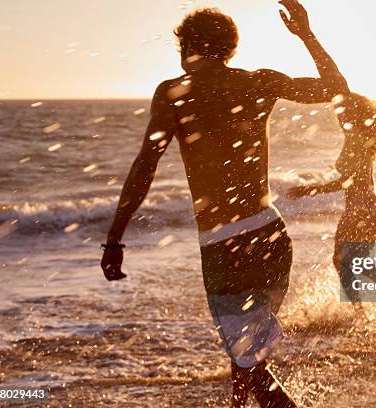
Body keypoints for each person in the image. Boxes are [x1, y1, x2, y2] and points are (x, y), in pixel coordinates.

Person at [100, 1, 349, 407]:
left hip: (225, 245)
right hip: (270, 234)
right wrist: (306, 34)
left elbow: (146, 165)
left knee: (251, 365)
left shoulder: (174, 93)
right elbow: (337, 89)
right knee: (246, 356)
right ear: (230, 48)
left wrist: (114, 238)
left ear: (187, 46)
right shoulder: (259, 82)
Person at [287, 93, 376, 313]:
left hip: (362, 206)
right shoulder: (361, 135)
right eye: (338, 113)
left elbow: (347, 181)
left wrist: (310, 189)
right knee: (356, 260)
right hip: (370, 204)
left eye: (342, 112)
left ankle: (362, 310)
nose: (338, 117)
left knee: (343, 261)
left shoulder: (356, 138)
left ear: (353, 114)